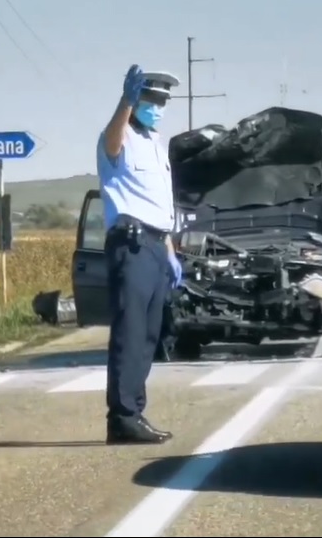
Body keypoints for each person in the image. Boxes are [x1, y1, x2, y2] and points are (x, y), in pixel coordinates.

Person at [97, 64, 184, 445]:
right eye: (152, 98)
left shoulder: (155, 143)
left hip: (154, 245)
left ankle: (135, 411)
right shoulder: (119, 138)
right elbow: (113, 140)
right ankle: (123, 417)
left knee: (149, 335)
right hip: (130, 245)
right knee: (130, 333)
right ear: (136, 100)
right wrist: (124, 103)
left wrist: (169, 252)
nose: (159, 106)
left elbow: (159, 203)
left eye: (164, 100)